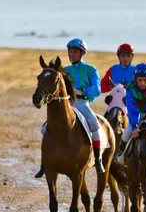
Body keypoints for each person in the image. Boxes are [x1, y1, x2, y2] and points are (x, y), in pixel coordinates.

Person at [35, 37, 105, 177]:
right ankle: (44, 164)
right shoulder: (64, 70)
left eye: (74, 52)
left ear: (81, 53)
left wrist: (83, 92)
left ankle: (98, 160)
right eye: (70, 51)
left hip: (82, 103)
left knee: (94, 125)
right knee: (44, 128)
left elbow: (97, 89)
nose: (71, 54)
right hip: (68, 103)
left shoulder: (91, 70)